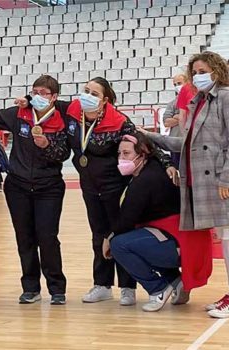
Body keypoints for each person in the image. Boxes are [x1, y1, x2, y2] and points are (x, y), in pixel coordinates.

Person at [144, 51, 229, 318]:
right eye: (194, 72)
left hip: (226, 180)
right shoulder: (199, 101)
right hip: (207, 181)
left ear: (217, 70)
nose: (198, 76)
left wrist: (227, 179)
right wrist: (149, 136)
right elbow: (185, 144)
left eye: (203, 70)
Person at [63, 77, 176, 306]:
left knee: (119, 234)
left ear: (105, 100)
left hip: (115, 186)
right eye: (85, 90)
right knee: (98, 235)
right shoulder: (74, 112)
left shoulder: (119, 121)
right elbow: (49, 100)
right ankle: (102, 285)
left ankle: (127, 287)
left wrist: (167, 164)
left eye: (94, 93)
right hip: (90, 186)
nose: (87, 95)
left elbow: (144, 145)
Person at [0, 75, 70, 305]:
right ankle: (30, 287)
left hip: (49, 186)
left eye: (44, 93)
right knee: (25, 238)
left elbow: (64, 155)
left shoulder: (62, 118)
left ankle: (57, 288)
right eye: (35, 92)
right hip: (18, 186)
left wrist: (47, 145)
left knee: (48, 237)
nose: (38, 97)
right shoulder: (18, 114)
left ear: (54, 97)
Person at [106, 132, 213, 312]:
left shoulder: (146, 180)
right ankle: (175, 281)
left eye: (126, 154)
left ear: (142, 153)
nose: (121, 158)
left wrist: (107, 238)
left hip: (179, 243)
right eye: (119, 154)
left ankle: (158, 289)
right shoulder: (153, 167)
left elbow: (126, 219)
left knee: (119, 245)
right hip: (179, 238)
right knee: (140, 239)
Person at [163, 74, 187, 165]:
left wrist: (176, 116)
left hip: (190, 143)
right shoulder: (171, 104)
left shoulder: (194, 100)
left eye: (179, 83)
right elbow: (166, 122)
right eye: (175, 84)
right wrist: (183, 116)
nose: (177, 86)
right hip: (174, 144)